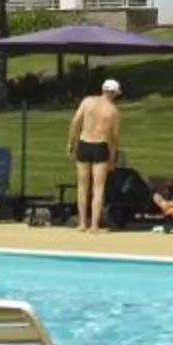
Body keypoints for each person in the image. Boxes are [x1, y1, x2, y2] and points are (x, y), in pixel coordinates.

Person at [69, 78, 123, 234]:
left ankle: (82, 223)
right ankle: (94, 225)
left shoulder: (88, 102)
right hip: (100, 145)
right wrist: (112, 157)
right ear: (114, 93)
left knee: (82, 186)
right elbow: (114, 138)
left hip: (84, 142)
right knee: (98, 188)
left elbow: (75, 122)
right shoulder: (113, 111)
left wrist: (71, 142)